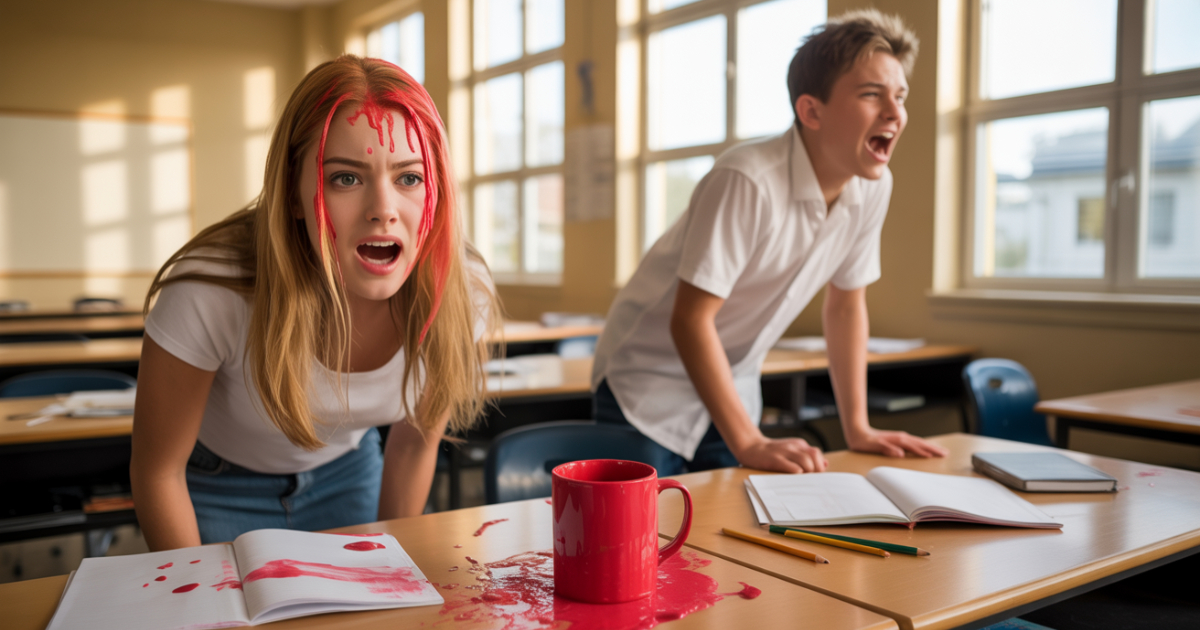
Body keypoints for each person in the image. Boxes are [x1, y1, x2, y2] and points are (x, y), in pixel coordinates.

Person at [131, 56, 499, 550]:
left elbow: (414, 443)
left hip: (348, 473)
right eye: (346, 178)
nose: (383, 211)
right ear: (292, 194)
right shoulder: (212, 287)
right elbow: (158, 472)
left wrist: (394, 571)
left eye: (409, 178)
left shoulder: (462, 289)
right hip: (215, 488)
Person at [591, 10, 948, 476]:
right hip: (647, 388)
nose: (895, 113)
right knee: (643, 541)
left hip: (731, 388)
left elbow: (845, 306)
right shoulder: (747, 178)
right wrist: (750, 441)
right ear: (810, 111)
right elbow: (691, 320)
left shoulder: (873, 186)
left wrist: (857, 426)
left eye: (899, 96)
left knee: (723, 534)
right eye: (871, 95)